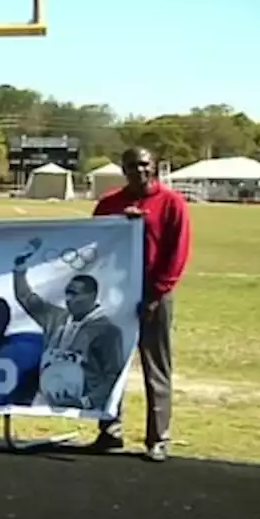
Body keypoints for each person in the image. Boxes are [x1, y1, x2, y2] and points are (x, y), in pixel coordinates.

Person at [90, 145, 192, 462]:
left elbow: (177, 253)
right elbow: (93, 244)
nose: (139, 170)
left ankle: (158, 438)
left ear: (155, 167)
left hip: (154, 294)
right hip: (114, 293)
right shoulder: (110, 204)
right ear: (124, 169)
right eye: (132, 165)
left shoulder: (171, 203)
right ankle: (109, 431)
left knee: (156, 368)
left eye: (145, 165)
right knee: (109, 363)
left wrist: (156, 294)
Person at [11, 257, 127, 413]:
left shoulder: (107, 331)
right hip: (46, 395)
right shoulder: (55, 317)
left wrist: (86, 402)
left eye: (74, 294)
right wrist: (19, 270)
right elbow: (26, 298)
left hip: (81, 398)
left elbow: (112, 375)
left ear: (92, 296)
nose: (68, 299)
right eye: (67, 293)